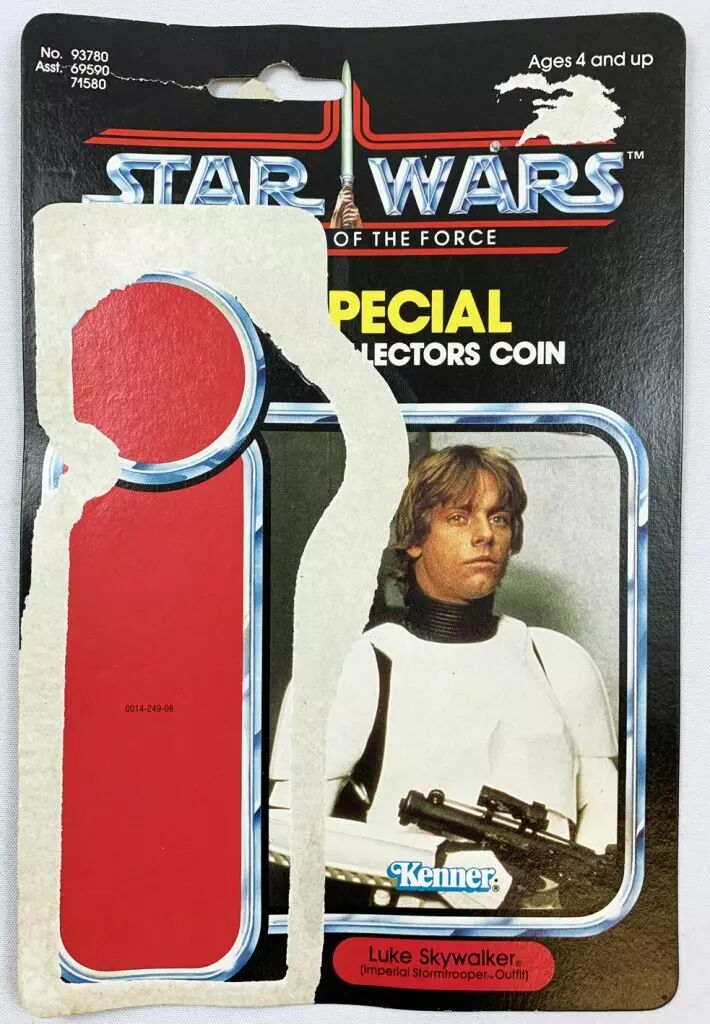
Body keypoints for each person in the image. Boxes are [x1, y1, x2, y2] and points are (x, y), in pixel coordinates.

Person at [270, 445, 618, 909]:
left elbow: (606, 805)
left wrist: (572, 900)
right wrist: (443, 872)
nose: (485, 535)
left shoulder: (558, 660)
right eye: (459, 517)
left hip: (547, 930)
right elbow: (284, 832)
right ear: (414, 538)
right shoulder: (356, 665)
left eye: (499, 518)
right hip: (406, 929)